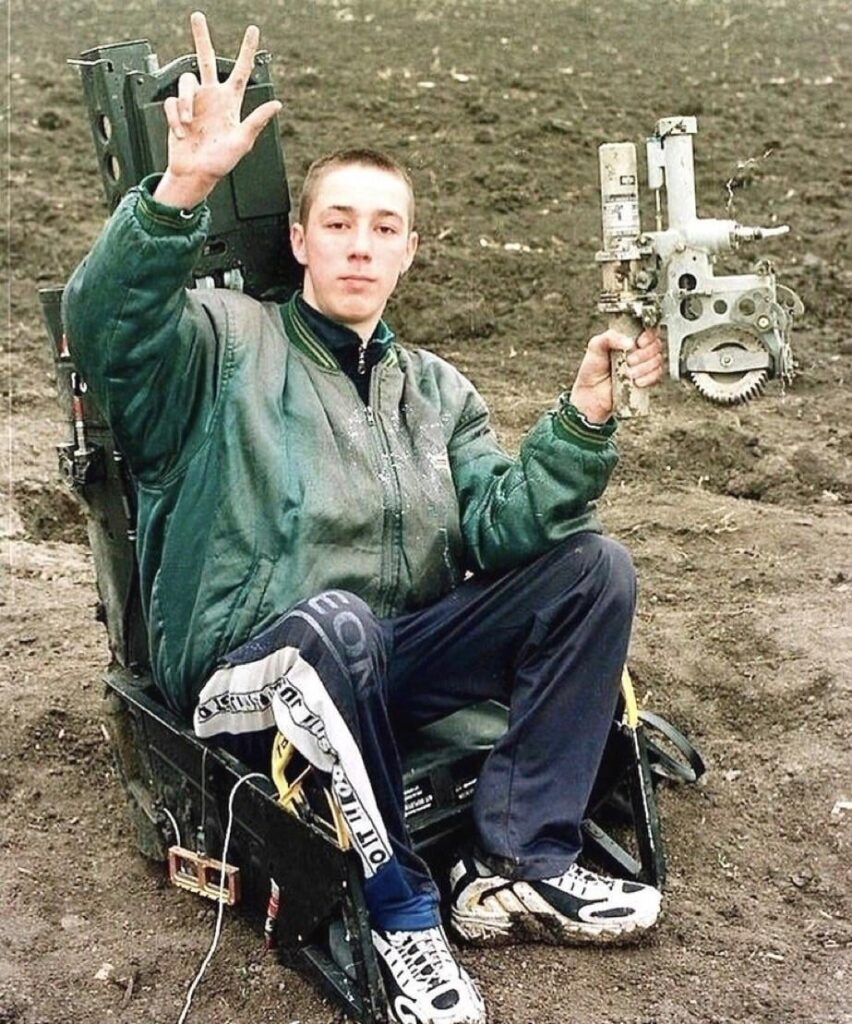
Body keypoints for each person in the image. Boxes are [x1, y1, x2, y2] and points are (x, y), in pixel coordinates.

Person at [63, 13, 666, 1024]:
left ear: (409, 252)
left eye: (384, 228)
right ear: (300, 238)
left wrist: (584, 418)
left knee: (593, 569)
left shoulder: (436, 389)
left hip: (380, 662)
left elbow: (503, 528)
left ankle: (518, 864)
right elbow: (103, 329)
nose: (360, 244)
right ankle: (402, 915)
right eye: (338, 222)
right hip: (246, 669)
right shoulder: (218, 345)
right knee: (336, 623)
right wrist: (184, 191)